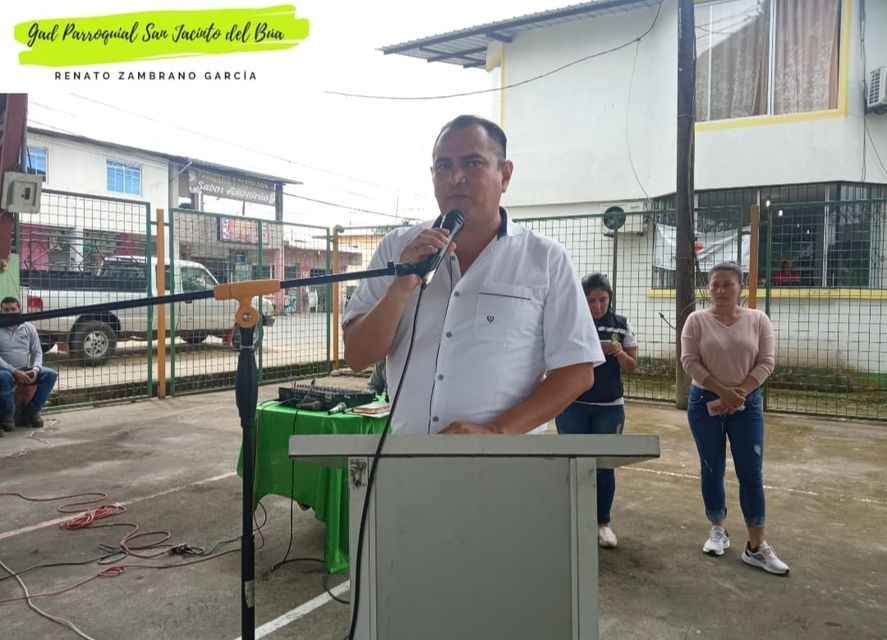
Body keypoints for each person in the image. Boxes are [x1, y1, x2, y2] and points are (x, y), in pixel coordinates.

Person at [342, 115, 603, 435]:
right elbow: (357, 356)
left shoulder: (545, 258)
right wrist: (400, 287)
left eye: (472, 163)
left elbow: (577, 371)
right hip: (409, 456)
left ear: (505, 175)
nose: (455, 177)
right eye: (443, 166)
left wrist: (496, 432)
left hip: (504, 459)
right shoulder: (397, 248)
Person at [680, 262, 789, 575]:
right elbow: (689, 361)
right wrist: (721, 392)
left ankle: (756, 545)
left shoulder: (758, 320)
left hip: (747, 403)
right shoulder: (696, 320)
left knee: (751, 472)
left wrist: (739, 392)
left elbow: (766, 361)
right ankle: (718, 528)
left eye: (727, 284)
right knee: (711, 467)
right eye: (715, 284)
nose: (720, 290)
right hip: (704, 402)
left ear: (740, 287)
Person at [556, 273, 637, 549]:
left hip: (609, 407)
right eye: (591, 300)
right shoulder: (570, 323)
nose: (597, 306)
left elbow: (632, 367)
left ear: (610, 298)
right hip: (572, 404)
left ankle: (603, 523)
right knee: (572, 462)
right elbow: (555, 361)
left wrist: (619, 352)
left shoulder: (620, 325)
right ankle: (572, 520)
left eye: (603, 299)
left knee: (604, 466)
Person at [0, 296, 58, 432]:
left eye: (13, 309)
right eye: (6, 310)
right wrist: (14, 371)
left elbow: (37, 352)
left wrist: (35, 369)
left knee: (50, 375)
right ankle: (7, 417)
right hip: (4, 371)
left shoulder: (29, 327)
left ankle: (31, 412)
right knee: (3, 377)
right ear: (1, 311)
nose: (10, 312)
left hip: (25, 369)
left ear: (19, 310)